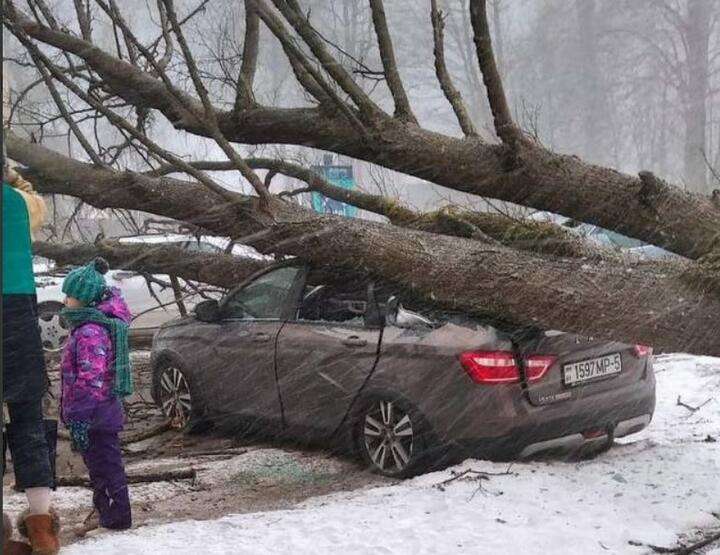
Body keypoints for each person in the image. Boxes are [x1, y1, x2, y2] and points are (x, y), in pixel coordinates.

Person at [2, 164, 60, 555]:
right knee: (27, 420)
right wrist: (13, 179)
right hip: (17, 313)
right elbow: (38, 203)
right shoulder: (20, 203)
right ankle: (41, 529)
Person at [59, 258, 134, 536]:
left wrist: (79, 414)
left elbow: (91, 378)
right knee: (100, 465)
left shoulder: (90, 331)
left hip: (96, 413)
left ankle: (116, 515)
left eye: (70, 295)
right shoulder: (87, 327)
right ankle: (105, 511)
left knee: (106, 465)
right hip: (98, 411)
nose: (65, 301)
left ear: (85, 298)